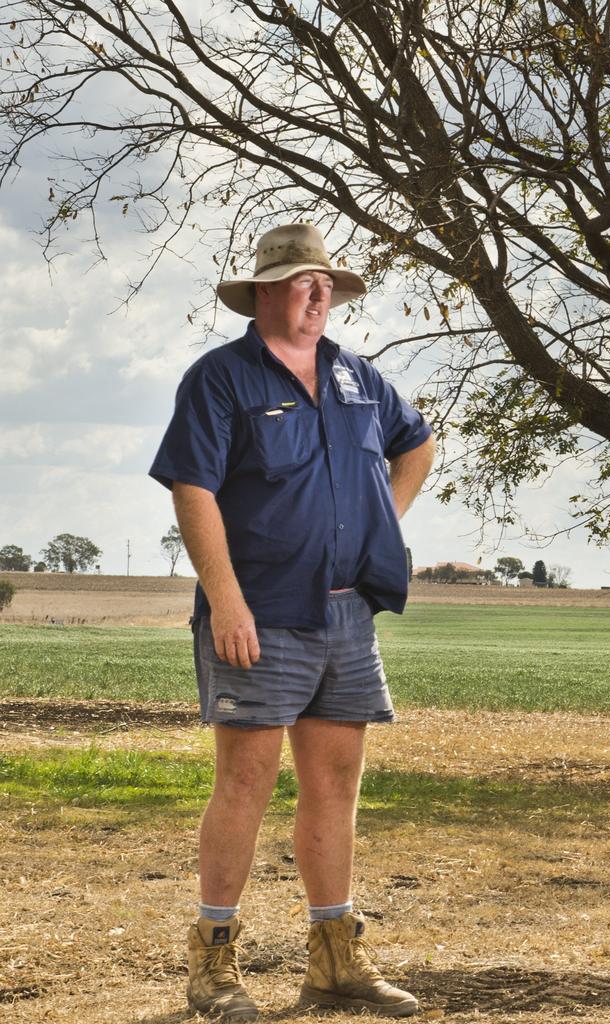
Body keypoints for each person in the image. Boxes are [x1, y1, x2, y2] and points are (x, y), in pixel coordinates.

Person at [149, 223, 435, 1020]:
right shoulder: (221, 379)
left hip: (348, 616)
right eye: (304, 281)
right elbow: (192, 490)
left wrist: (389, 520)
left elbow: (418, 444)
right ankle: (213, 967)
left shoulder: (357, 378)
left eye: (327, 285)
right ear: (266, 291)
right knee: (243, 781)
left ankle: (335, 962)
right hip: (260, 616)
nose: (319, 295)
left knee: (336, 784)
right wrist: (227, 599)